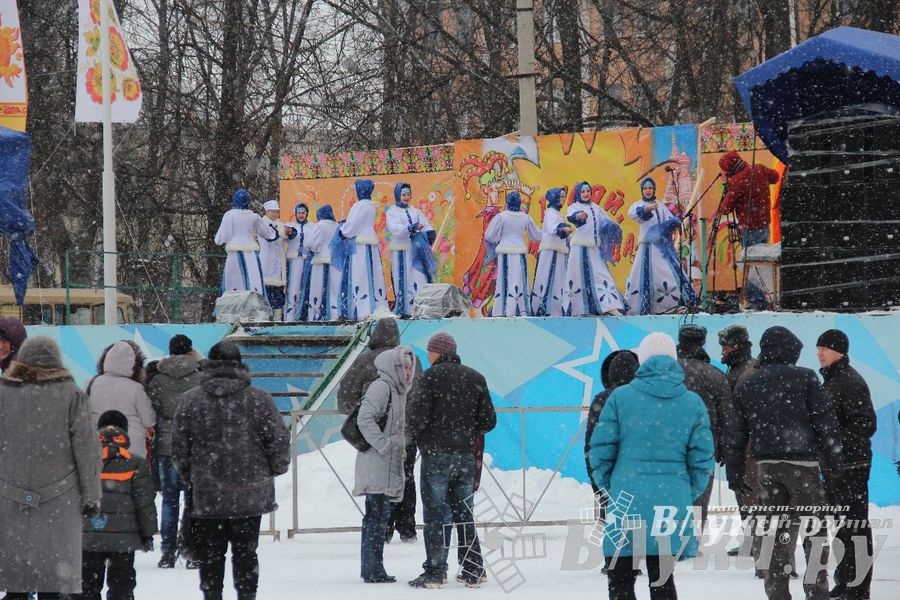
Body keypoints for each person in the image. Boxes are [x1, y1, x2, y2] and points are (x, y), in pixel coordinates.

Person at [589, 332, 714, 600]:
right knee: (663, 581)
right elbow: (703, 459)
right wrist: (685, 492)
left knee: (620, 579)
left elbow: (600, 451)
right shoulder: (692, 402)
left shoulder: (620, 398)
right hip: (671, 500)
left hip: (626, 498)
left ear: (642, 360)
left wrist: (612, 487)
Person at [725, 326, 843, 600]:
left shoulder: (747, 383)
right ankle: (816, 591)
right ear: (792, 351)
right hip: (804, 466)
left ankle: (777, 592)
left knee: (775, 532)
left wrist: (734, 472)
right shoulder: (806, 378)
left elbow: (735, 435)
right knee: (813, 531)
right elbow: (826, 425)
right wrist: (834, 463)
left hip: (766, 467)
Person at [172, 340, 290, 600]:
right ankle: (247, 595)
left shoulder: (190, 402)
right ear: (240, 365)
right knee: (246, 554)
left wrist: (194, 476)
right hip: (249, 495)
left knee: (211, 557)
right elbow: (279, 442)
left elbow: (179, 449)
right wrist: (271, 470)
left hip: (207, 495)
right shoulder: (259, 399)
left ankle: (212, 595)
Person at [0, 337, 101, 599]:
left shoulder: (3, 392)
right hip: (60, 498)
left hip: (8, 495)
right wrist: (91, 496)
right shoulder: (71, 393)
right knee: (54, 577)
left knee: (16, 577)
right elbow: (87, 449)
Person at [407, 333, 496, 589]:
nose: (427, 355)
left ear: (437, 352)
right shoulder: (475, 377)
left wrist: (426, 439)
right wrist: (466, 432)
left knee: (435, 514)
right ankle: (473, 569)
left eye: (429, 351)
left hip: (436, 455)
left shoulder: (430, 378)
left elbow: (416, 418)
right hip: (465, 456)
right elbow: (489, 420)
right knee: (464, 513)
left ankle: (435, 572)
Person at [337, 318, 422, 544]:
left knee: (379, 483)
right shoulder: (411, 361)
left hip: (375, 436)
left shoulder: (365, 361)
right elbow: (420, 397)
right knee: (406, 478)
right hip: (406, 435)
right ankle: (407, 528)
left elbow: (344, 396)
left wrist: (360, 413)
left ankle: (382, 528)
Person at [817, 329, 876, 600]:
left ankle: (858, 587)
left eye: (824, 348)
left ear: (839, 351)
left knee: (856, 528)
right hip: (837, 467)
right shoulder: (831, 381)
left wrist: (834, 442)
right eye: (818, 348)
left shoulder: (850, 381)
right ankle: (845, 581)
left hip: (852, 466)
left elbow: (865, 424)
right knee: (842, 527)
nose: (819, 353)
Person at [74, 410, 158, 600]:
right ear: (125, 433)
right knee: (121, 588)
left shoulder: (83, 461)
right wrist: (147, 534)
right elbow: (144, 502)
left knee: (86, 588)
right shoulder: (135, 462)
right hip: (124, 540)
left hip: (88, 538)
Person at [352, 345, 416, 583]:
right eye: (404, 368)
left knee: (378, 517)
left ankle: (373, 567)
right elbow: (364, 418)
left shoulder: (397, 389)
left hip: (385, 464)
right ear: (394, 367)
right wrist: (383, 444)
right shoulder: (382, 386)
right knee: (375, 518)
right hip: (376, 463)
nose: (408, 373)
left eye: (410, 368)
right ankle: (372, 569)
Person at [146, 334, 203, 569]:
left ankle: (168, 552)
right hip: (194, 445)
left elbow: (153, 408)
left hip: (167, 445)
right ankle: (192, 549)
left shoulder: (157, 379)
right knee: (194, 501)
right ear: (191, 351)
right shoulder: (201, 377)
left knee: (170, 499)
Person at [675, 323, 731, 528]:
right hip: (705, 446)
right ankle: (693, 538)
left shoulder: (667, 370)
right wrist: (724, 447)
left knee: (670, 493)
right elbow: (727, 415)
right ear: (703, 343)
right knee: (699, 495)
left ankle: (668, 538)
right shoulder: (715, 375)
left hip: (670, 445)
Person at [717, 324, 762, 563]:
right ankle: (752, 539)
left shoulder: (744, 371)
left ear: (738, 346)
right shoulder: (738, 369)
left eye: (726, 347)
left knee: (748, 493)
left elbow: (736, 415)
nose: (723, 352)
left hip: (746, 446)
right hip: (741, 443)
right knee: (744, 493)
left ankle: (755, 541)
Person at [716, 151, 780, 310]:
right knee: (762, 263)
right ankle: (767, 296)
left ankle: (757, 301)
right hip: (765, 225)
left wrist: (727, 186)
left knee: (750, 266)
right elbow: (775, 177)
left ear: (729, 167)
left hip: (750, 228)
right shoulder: (759, 169)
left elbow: (725, 208)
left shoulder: (737, 180)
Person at [625, 177, 698, 315]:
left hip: (662, 248)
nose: (648, 191)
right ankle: (644, 307)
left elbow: (669, 220)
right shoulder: (638, 205)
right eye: (645, 188)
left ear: (654, 190)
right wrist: (647, 208)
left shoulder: (660, 205)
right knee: (644, 277)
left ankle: (671, 304)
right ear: (642, 190)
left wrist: (678, 220)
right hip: (647, 248)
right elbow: (634, 214)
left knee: (667, 273)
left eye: (650, 188)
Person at [86, 341, 156, 459]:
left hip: (100, 443)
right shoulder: (136, 388)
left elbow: (84, 413)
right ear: (132, 364)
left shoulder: (91, 383)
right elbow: (149, 420)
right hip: (131, 446)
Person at [583, 350, 639, 494]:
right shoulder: (643, 396)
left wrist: (598, 487)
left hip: (609, 479)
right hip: (639, 480)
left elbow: (591, 446)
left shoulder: (602, 399)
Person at [565, 182, 626, 315]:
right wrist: (578, 217)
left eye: (588, 191)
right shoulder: (574, 207)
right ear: (578, 194)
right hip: (579, 249)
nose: (586, 194)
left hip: (594, 249)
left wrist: (613, 227)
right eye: (583, 191)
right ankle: (579, 309)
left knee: (602, 275)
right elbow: (571, 217)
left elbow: (606, 222)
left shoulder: (597, 208)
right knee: (577, 278)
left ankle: (611, 306)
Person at [333, 179, 389, 320]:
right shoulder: (371, 205)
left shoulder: (359, 205)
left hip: (359, 245)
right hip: (369, 242)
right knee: (371, 275)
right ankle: (374, 305)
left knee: (359, 275)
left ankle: (360, 310)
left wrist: (342, 229)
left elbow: (352, 226)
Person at [484, 191, 542, 317]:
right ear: (519, 202)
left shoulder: (502, 216)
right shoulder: (525, 217)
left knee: (504, 280)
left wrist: (498, 239)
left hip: (505, 251)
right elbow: (536, 236)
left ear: (507, 202)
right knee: (519, 281)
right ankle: (521, 311)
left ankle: (501, 311)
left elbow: (489, 235)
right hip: (519, 252)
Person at [214, 188, 278, 299]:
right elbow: (269, 234)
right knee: (253, 281)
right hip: (251, 255)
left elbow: (219, 239)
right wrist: (274, 230)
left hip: (234, 254)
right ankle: (254, 307)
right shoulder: (253, 216)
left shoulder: (229, 216)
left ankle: (232, 309)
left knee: (233, 283)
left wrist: (230, 238)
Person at [386, 182, 437, 317]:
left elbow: (425, 225)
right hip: (401, 252)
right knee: (403, 277)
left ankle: (420, 309)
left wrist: (429, 233)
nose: (406, 197)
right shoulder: (392, 212)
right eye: (403, 195)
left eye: (408, 194)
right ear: (398, 195)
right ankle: (405, 310)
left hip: (416, 252)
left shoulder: (415, 211)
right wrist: (411, 228)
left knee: (419, 276)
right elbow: (395, 229)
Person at [531, 187, 574, 316]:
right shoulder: (550, 212)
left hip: (558, 253)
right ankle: (543, 307)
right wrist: (564, 229)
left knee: (558, 280)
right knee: (547, 277)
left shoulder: (557, 214)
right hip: (550, 254)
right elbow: (552, 228)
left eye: (564, 196)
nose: (563, 198)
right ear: (554, 197)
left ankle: (556, 308)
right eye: (560, 196)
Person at [306, 205, 341, 321]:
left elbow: (312, 243)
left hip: (320, 259)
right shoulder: (337, 226)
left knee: (318, 287)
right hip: (334, 260)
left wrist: (314, 250)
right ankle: (334, 314)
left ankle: (316, 316)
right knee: (334, 288)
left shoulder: (320, 225)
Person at [283, 202, 314, 322]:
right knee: (293, 286)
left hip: (307, 261)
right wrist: (287, 232)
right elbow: (283, 235)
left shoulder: (312, 226)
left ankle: (304, 315)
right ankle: (290, 317)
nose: (301, 215)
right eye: (299, 212)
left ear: (307, 214)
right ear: (295, 214)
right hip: (294, 261)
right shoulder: (290, 225)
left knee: (305, 286)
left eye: (303, 212)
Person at [259, 200, 287, 320]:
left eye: (277, 212)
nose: (276, 214)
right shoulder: (262, 223)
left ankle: (277, 318)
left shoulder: (280, 224)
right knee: (266, 291)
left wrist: (288, 232)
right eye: (274, 212)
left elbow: (284, 234)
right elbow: (271, 235)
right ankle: (265, 318)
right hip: (266, 260)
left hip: (279, 263)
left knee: (278, 293)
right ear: (268, 211)